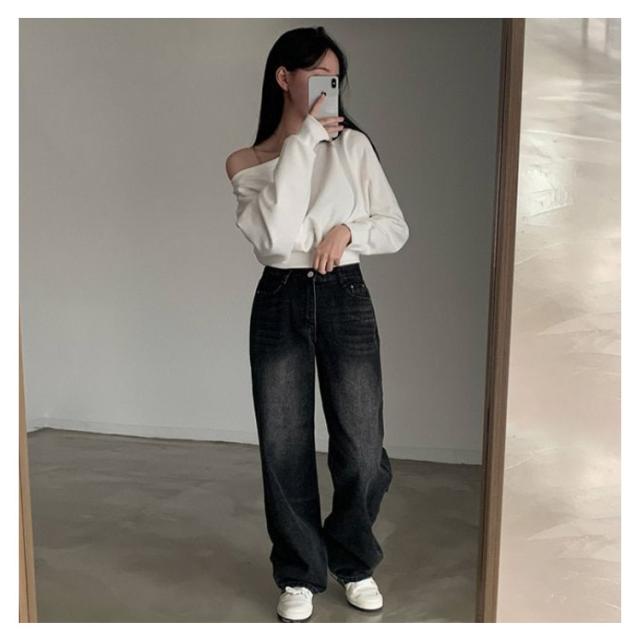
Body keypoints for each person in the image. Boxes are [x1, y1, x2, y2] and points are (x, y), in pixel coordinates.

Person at [225, 26, 409, 622]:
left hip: (344, 295)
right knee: (284, 446)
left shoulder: (353, 147)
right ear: (284, 77)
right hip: (279, 298)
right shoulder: (247, 161)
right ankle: (300, 572)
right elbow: (276, 240)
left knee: (362, 449)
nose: (330, 86)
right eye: (317, 75)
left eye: (336, 77)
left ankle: (352, 558)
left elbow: (395, 227)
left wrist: (348, 231)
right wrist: (304, 141)